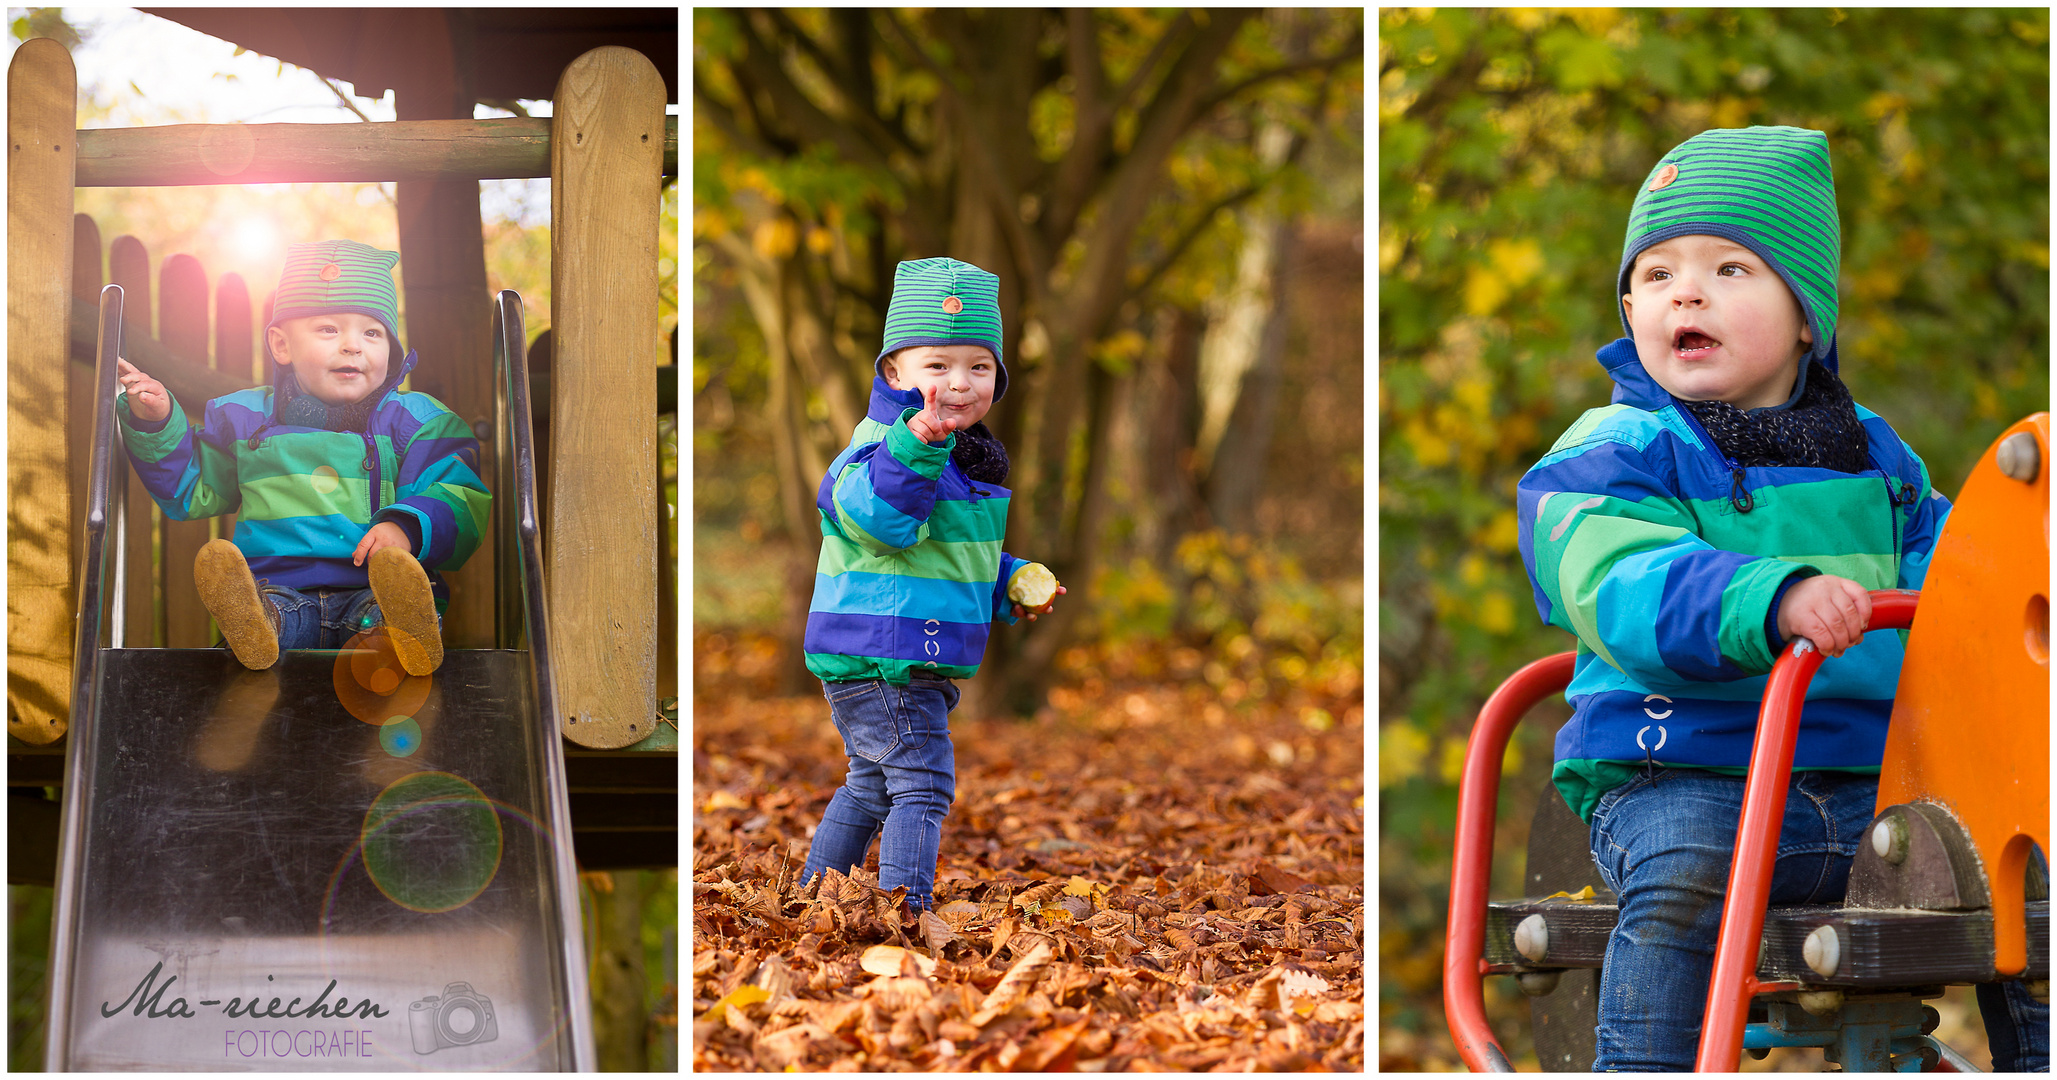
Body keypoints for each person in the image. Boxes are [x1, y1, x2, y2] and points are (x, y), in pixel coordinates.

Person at [1516, 126, 2047, 1071]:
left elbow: (1960, 584)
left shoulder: (1874, 455)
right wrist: (1772, 595)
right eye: (1656, 273)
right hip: (1679, 776)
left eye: (1729, 268)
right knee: (1685, 881)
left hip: (1870, 791)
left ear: (1806, 316)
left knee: (2025, 868)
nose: (1686, 291)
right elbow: (1613, 576)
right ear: (1632, 305)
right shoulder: (1615, 448)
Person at [798, 256, 1063, 914]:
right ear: (894, 374)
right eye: (936, 367)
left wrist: (1008, 581)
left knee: (871, 786)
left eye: (978, 368)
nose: (958, 384)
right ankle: (904, 911)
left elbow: (937, 557)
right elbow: (880, 522)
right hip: (882, 654)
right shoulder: (882, 448)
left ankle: (811, 893)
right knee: (921, 784)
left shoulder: (959, 459)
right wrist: (914, 445)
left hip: (900, 647)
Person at [116, 239, 489, 678]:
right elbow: (191, 488)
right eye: (329, 330)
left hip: (371, 589)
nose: (353, 345)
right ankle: (256, 627)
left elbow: (459, 492)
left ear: (389, 349)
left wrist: (408, 525)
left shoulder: (416, 421)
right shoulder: (246, 418)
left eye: (372, 332)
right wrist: (157, 422)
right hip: (280, 590)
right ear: (281, 345)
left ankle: (399, 634)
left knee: (382, 614)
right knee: (269, 615)